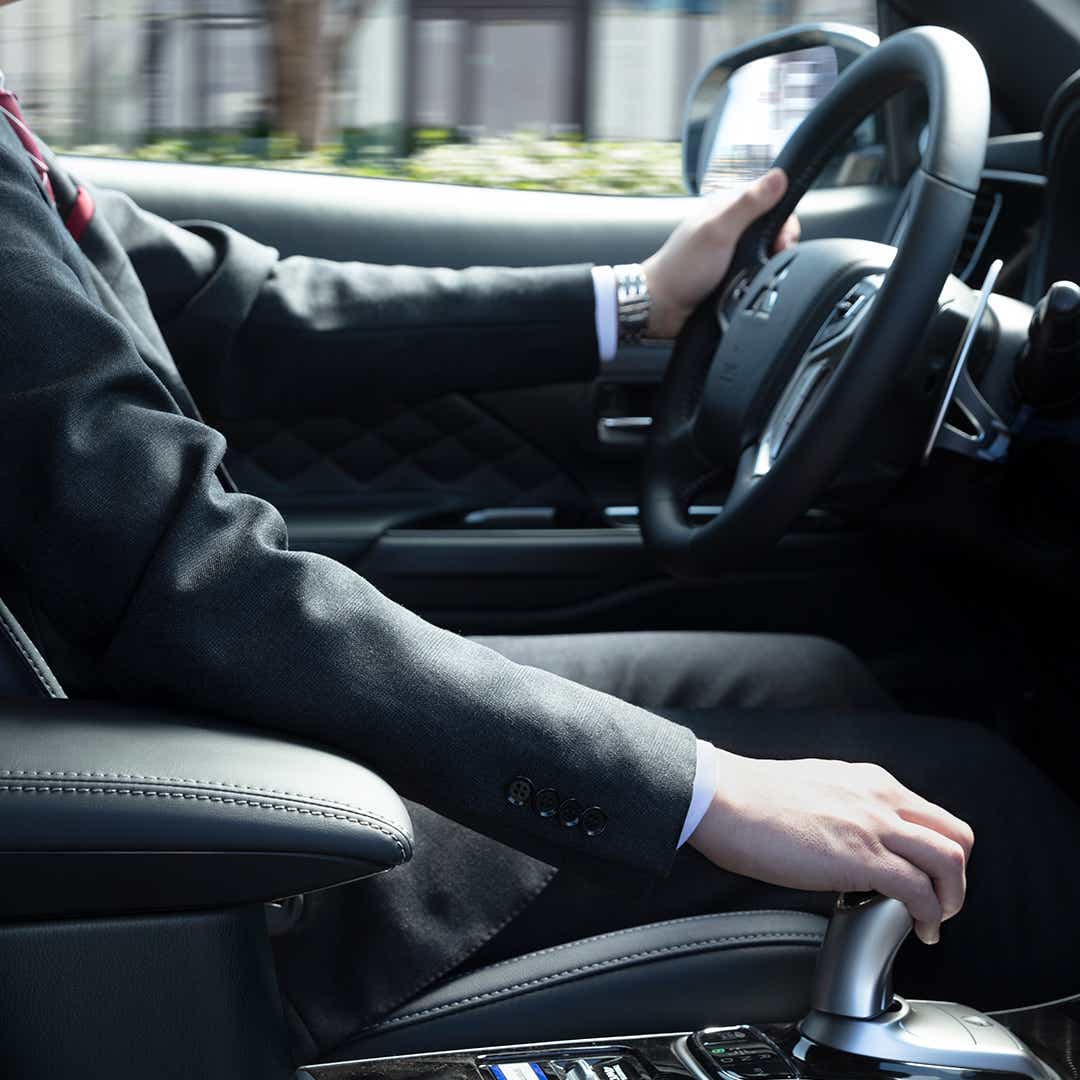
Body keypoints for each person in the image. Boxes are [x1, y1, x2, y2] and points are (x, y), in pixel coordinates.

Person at [1, 16, 1078, 1059]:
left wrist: (638, 300)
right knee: (985, 806)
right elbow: (180, 575)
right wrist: (704, 795)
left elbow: (232, 310)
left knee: (813, 676)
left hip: (183, 713)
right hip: (189, 827)